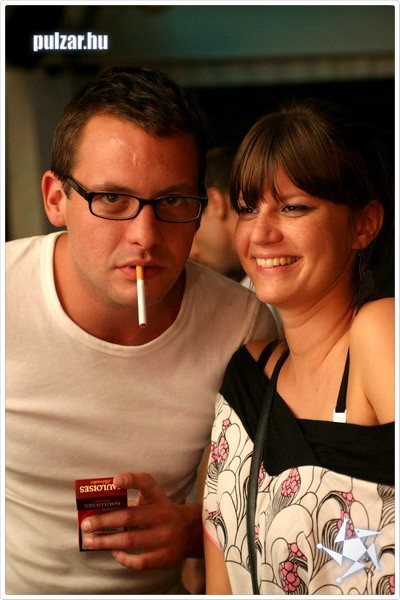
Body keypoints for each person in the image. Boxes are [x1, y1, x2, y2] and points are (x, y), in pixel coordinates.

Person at [5, 66, 278, 595]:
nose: (145, 237)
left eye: (172, 201)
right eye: (112, 199)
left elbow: (269, 503)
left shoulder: (241, 325)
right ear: (56, 199)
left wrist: (191, 530)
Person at [203, 98, 395, 595]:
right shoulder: (246, 375)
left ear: (363, 225)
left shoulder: (379, 331)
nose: (261, 232)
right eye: (248, 208)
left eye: (293, 207)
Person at [190, 146, 283, 336]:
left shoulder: (253, 303)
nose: (191, 253)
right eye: (249, 210)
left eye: (192, 233)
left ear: (214, 202)